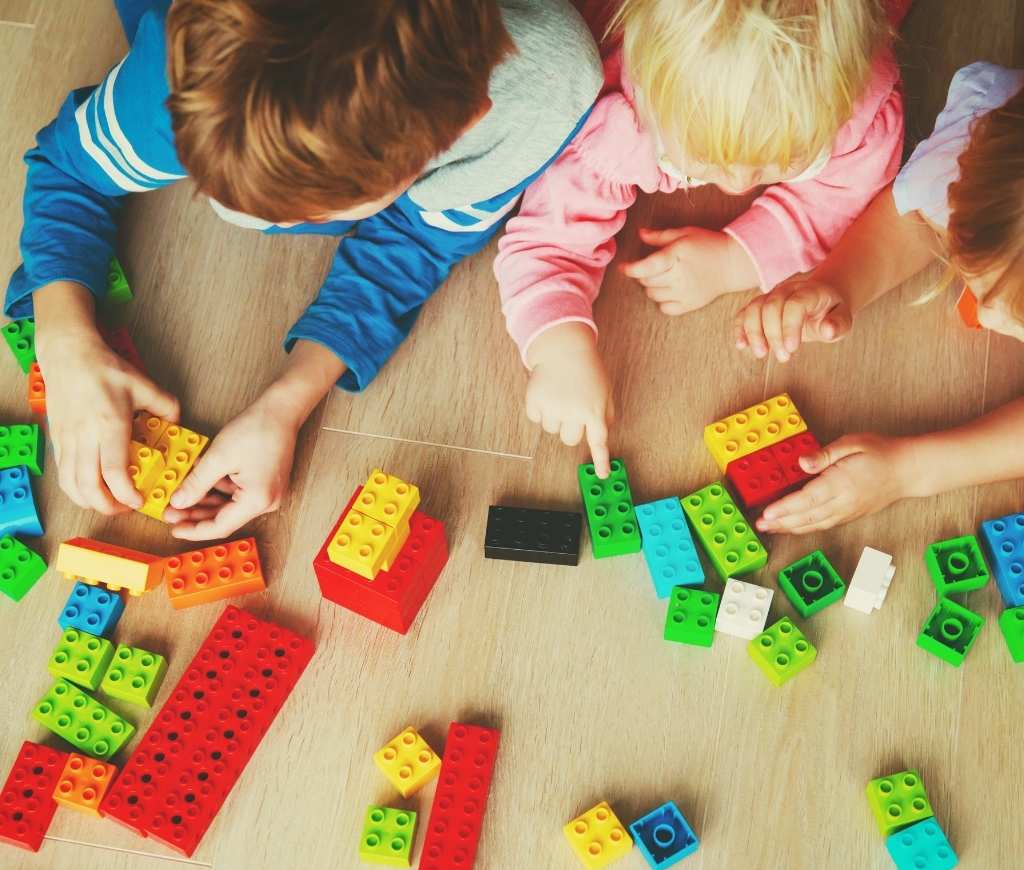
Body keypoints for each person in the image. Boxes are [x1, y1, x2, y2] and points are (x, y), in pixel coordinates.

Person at [6, 0, 602, 538]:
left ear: (464, 120)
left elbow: (415, 242)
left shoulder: (539, 90)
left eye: (313, 211)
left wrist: (285, 402)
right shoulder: (187, 72)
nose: (269, 224)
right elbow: (70, 167)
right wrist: (63, 342)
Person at [494, 0, 907, 476]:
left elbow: (841, 197)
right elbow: (548, 240)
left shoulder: (858, 105)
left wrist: (736, 258)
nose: (736, 184)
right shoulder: (617, 117)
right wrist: (559, 348)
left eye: (785, 159)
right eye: (705, 158)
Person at [735, 64, 1024, 534]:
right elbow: (917, 213)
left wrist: (907, 471)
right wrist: (838, 282)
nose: (985, 316)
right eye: (983, 286)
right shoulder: (975, 155)